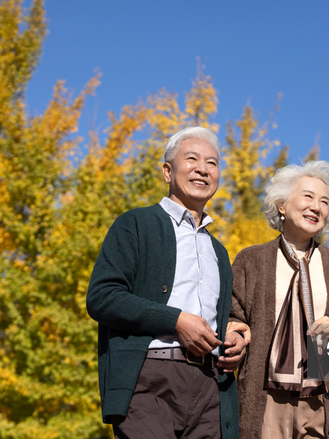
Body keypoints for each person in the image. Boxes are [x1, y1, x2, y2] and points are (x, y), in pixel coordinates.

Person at [86, 126, 246, 439]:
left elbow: (220, 319)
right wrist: (175, 321)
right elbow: (102, 297)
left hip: (211, 387)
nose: (203, 168)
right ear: (167, 171)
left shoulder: (219, 251)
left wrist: (234, 339)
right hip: (149, 379)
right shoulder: (135, 224)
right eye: (192, 159)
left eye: (212, 163)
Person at [228, 160, 329, 439]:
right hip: (266, 400)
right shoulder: (251, 260)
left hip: (324, 402)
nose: (317, 207)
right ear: (282, 205)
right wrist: (235, 334)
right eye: (307, 196)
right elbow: (233, 317)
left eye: (324, 201)